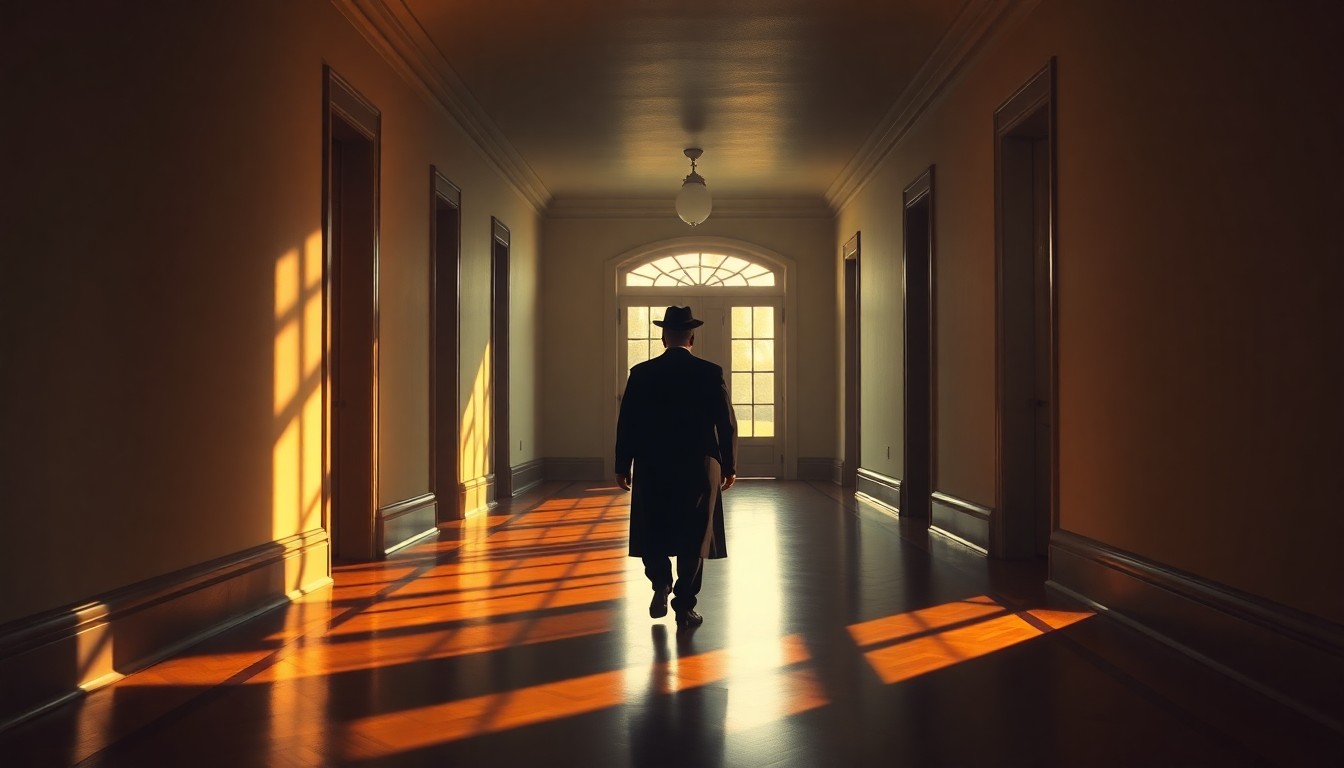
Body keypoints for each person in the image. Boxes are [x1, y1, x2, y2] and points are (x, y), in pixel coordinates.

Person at [615, 305, 737, 629]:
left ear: (663, 336)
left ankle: (660, 583)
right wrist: (729, 464)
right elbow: (725, 423)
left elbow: (627, 423)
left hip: (653, 463)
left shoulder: (641, 373)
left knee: (652, 526)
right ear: (692, 338)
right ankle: (684, 605)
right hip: (699, 465)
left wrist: (621, 464)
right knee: (695, 534)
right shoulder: (710, 372)